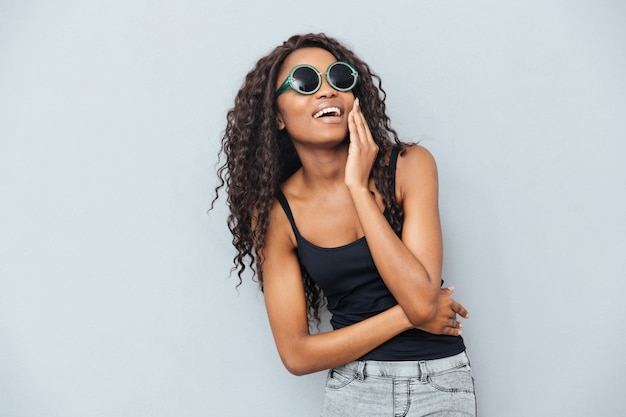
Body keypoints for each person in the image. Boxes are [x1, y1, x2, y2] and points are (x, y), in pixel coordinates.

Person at [214, 33, 477, 416]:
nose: (327, 92)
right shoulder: (276, 213)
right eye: (305, 82)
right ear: (277, 117)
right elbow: (297, 354)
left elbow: (420, 297)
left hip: (439, 381)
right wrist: (406, 317)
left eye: (339, 78)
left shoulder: (409, 166)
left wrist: (356, 187)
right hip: (356, 389)